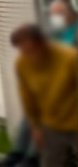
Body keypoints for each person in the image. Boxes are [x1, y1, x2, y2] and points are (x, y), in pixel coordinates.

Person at [11, 22, 78, 167]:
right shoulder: (23, 63)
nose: (31, 56)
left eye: (33, 50)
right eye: (25, 51)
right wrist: (36, 126)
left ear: (42, 43)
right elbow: (27, 97)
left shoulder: (70, 58)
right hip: (52, 125)